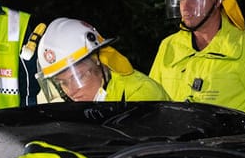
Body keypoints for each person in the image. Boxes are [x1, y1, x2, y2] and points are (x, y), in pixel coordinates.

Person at [35, 18, 169, 103]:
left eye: (78, 77)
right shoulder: (87, 106)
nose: (72, 91)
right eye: (62, 83)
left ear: (99, 61)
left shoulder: (140, 93)